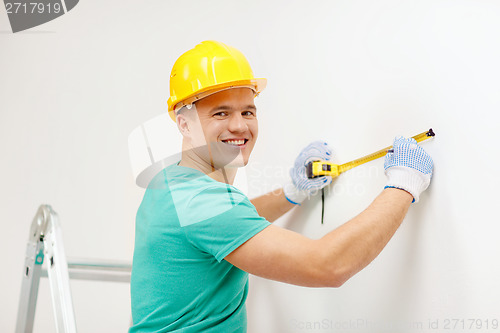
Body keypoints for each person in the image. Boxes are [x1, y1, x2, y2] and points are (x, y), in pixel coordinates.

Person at [129, 40, 434, 332]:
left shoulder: (170, 180)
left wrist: (292, 192)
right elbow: (327, 265)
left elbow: (230, 221)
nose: (239, 125)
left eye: (248, 111)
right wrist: (403, 185)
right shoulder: (201, 202)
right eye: (220, 112)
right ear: (184, 123)